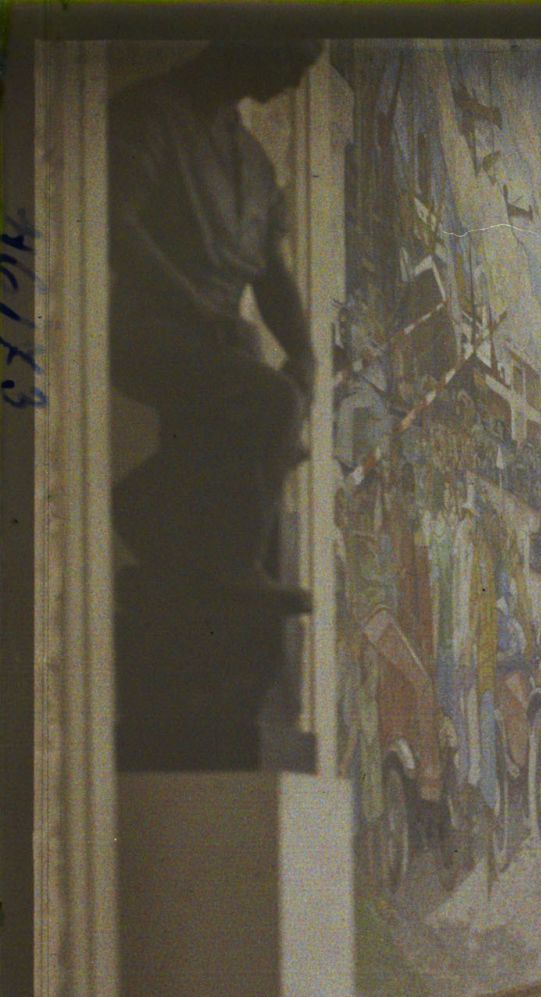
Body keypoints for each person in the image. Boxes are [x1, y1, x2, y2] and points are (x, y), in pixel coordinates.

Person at [109, 41, 325, 598]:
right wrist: (194, 311)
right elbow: (117, 225)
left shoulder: (253, 163)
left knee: (272, 413)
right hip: (150, 328)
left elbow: (269, 275)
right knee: (272, 406)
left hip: (222, 342)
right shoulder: (153, 112)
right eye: (291, 60)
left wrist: (303, 350)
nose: (296, 83)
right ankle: (235, 577)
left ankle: (145, 501)